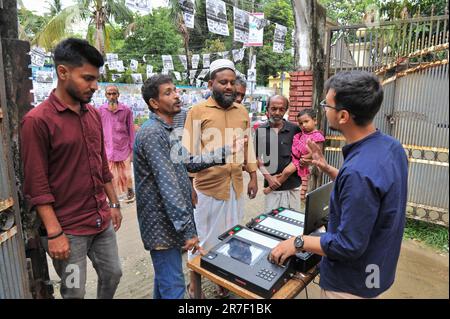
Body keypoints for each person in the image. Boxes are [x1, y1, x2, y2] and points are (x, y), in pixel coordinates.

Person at [269, 70, 408, 299]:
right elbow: (369, 186)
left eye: (327, 104)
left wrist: (297, 242)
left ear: (343, 116)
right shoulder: (391, 147)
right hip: (376, 269)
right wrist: (325, 167)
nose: (323, 108)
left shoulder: (358, 172)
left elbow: (348, 245)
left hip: (349, 285)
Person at [21, 38, 123, 299]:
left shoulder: (93, 115)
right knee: (74, 291)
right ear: (62, 72)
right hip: (68, 231)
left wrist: (114, 204)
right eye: (87, 78)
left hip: (101, 221)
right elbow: (36, 183)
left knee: (113, 274)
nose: (95, 86)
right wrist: (54, 233)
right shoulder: (37, 121)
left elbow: (101, 165)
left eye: (96, 78)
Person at [134, 74, 244, 299]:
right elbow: (169, 187)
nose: (177, 95)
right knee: (174, 288)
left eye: (176, 90)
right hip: (161, 226)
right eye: (169, 92)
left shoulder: (167, 130)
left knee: (164, 281)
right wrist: (189, 231)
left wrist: (226, 150)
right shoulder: (153, 134)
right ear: (154, 103)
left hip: (169, 224)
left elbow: (190, 161)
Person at [182, 59, 258, 298]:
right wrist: (189, 186)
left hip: (235, 186)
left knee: (232, 236)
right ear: (211, 83)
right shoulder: (197, 111)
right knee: (202, 239)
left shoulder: (242, 111)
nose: (228, 86)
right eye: (223, 82)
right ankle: (195, 284)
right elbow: (188, 152)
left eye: (232, 82)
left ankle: (222, 281)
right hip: (207, 188)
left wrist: (253, 176)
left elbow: (249, 146)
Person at [263, 108, 325, 202]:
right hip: (294, 157)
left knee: (287, 172)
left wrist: (305, 157)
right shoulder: (302, 133)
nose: (303, 125)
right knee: (285, 172)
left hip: (299, 160)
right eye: (300, 123)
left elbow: (316, 151)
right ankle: (279, 177)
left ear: (315, 121)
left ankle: (271, 188)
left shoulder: (317, 136)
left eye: (306, 121)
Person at [255, 95, 302, 212]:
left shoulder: (295, 129)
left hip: (293, 186)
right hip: (272, 187)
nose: (277, 112)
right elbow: (256, 158)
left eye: (281, 109)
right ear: (267, 109)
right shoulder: (260, 130)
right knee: (271, 222)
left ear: (286, 110)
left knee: (293, 222)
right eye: (273, 108)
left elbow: (301, 154)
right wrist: (269, 178)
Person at [99, 85, 135, 202]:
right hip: (108, 148)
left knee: (127, 174)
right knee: (111, 174)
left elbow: (131, 129)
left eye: (114, 94)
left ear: (118, 95)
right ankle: (113, 197)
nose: (112, 96)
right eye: (109, 94)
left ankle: (130, 192)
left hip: (124, 147)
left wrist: (132, 148)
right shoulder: (100, 110)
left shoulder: (126, 110)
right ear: (105, 95)